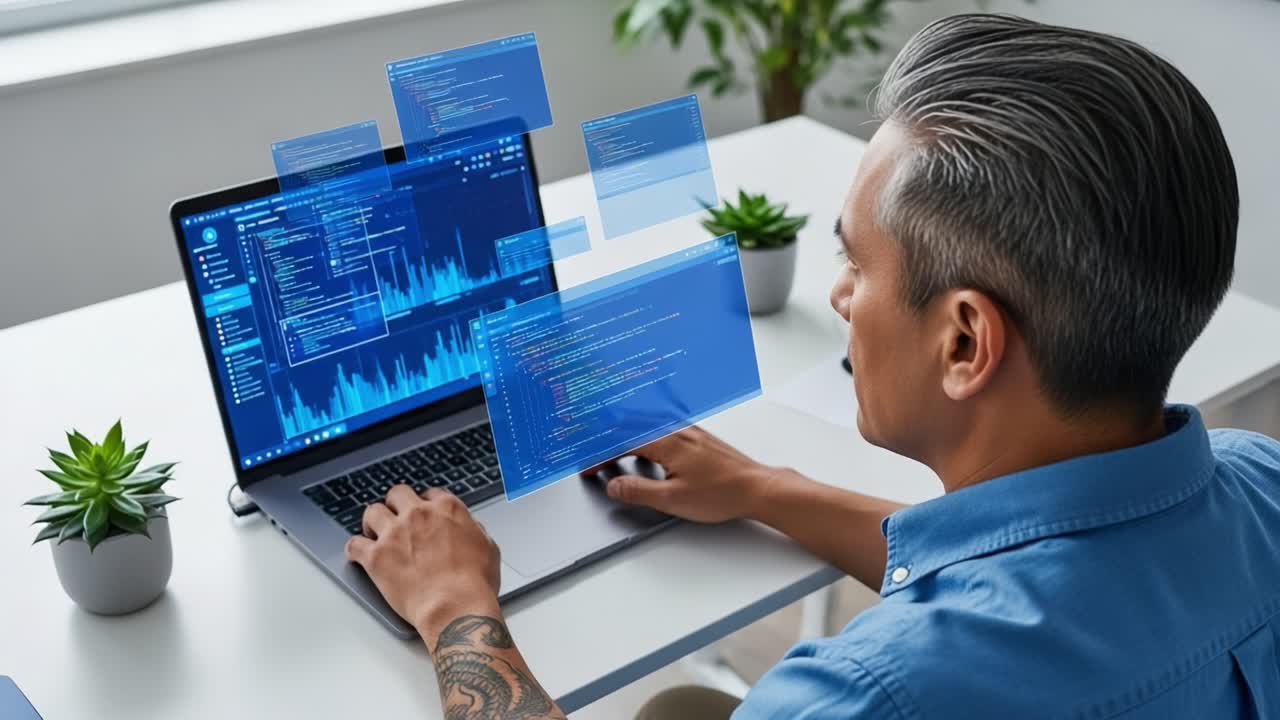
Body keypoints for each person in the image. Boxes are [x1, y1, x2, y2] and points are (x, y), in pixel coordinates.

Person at [344, 13, 1280, 720]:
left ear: (963, 342)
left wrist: (455, 606)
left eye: (857, 264)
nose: (840, 296)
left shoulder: (870, 694)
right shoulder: (1259, 480)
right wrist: (764, 488)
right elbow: (1035, 567)